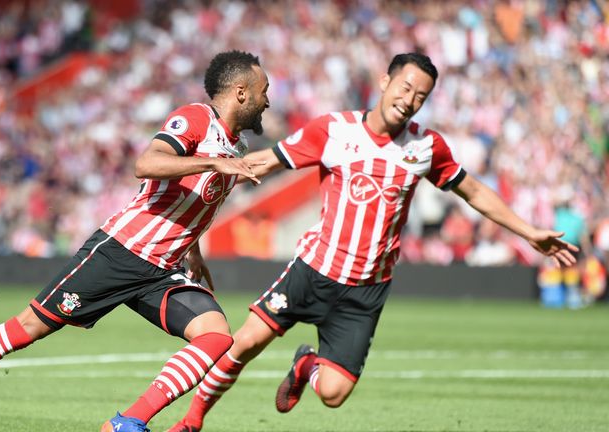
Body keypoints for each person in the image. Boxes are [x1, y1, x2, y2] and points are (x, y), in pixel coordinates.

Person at [167, 52, 578, 432]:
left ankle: (306, 365)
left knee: (333, 393)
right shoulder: (334, 130)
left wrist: (529, 232)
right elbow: (265, 161)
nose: (410, 100)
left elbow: (473, 191)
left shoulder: (426, 147)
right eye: (405, 88)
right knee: (244, 343)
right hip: (314, 270)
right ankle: (192, 421)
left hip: (366, 290)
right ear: (385, 82)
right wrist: (204, 169)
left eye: (421, 96)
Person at [0, 50, 271, 432]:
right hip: (121, 251)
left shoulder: (236, 148)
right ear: (240, 92)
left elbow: (191, 202)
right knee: (28, 328)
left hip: (164, 270)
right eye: (263, 90)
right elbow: (147, 164)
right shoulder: (195, 119)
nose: (267, 100)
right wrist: (211, 162)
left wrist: (195, 251)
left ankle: (128, 422)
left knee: (216, 335)